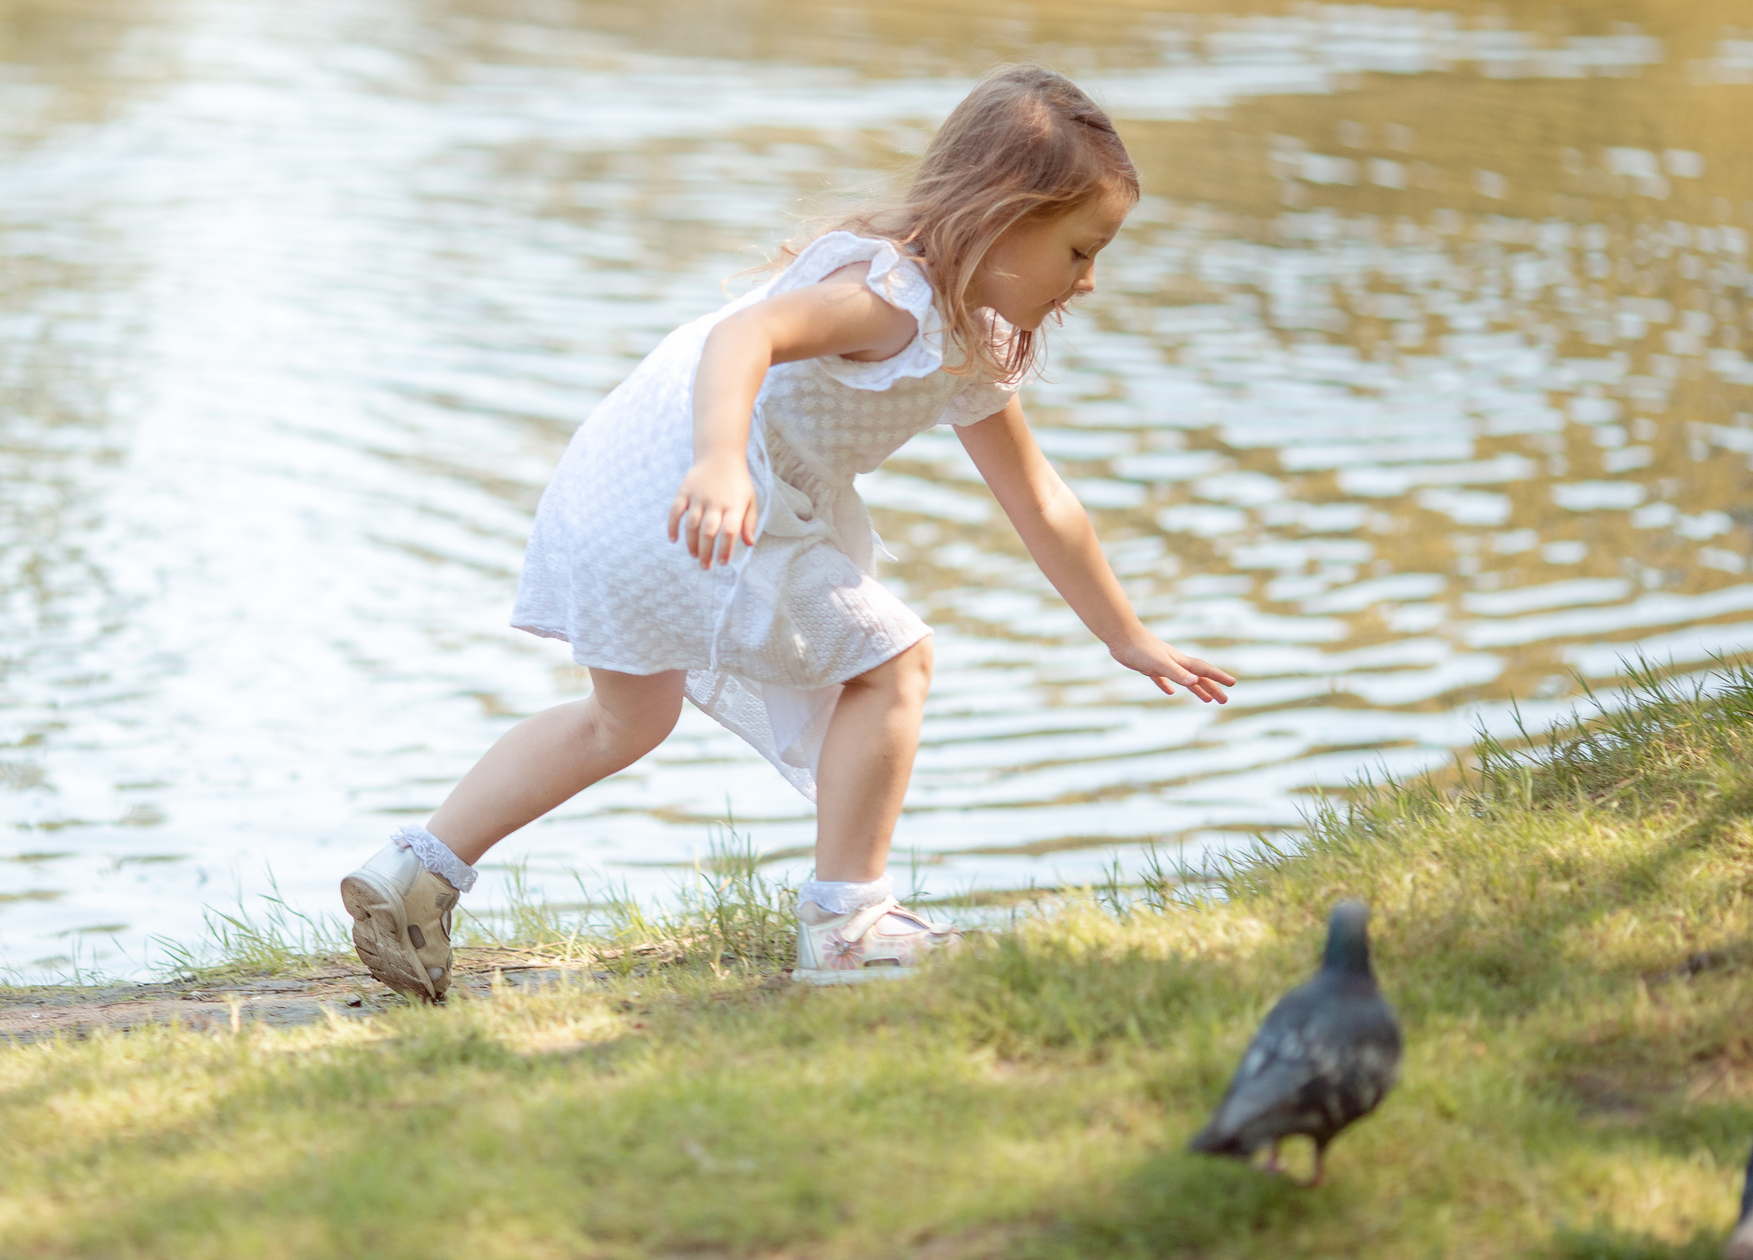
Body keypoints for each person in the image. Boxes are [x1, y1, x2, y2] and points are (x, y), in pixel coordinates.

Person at [340, 65, 1236, 998]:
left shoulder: (966, 334)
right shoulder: (895, 299)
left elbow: (1038, 497)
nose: (1089, 281)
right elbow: (746, 337)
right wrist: (721, 459)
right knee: (894, 662)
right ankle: (847, 927)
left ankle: (420, 869)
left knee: (624, 720)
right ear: (1001, 220)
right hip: (697, 485)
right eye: (1081, 251)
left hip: (618, 485)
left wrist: (1124, 633)